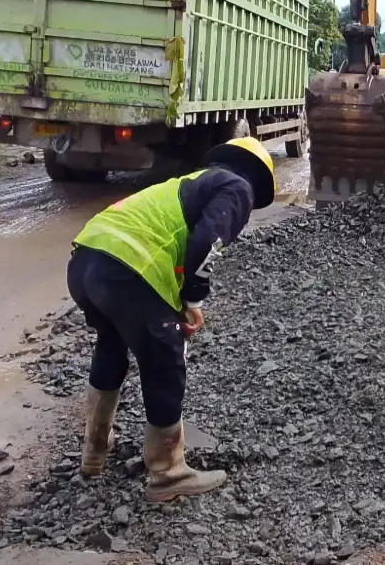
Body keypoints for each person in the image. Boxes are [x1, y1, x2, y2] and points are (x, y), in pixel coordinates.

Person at [66, 137, 277, 502]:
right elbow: (204, 244)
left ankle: (94, 454)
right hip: (128, 268)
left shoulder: (187, 184)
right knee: (165, 361)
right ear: (258, 184)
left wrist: (178, 302)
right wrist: (193, 300)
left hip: (87, 259)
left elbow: (173, 245)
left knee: (112, 346)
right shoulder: (238, 187)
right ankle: (168, 473)